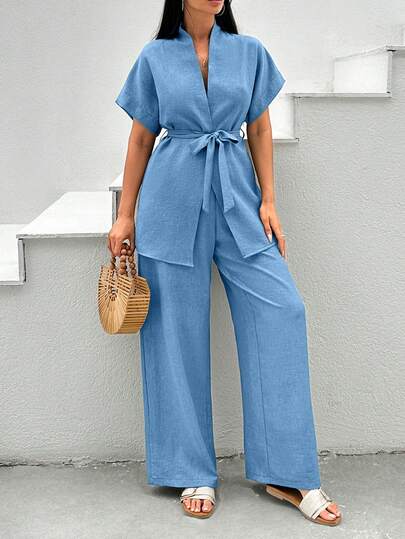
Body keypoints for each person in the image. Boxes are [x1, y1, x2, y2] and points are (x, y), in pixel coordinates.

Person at [108, 0, 342, 526]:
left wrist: (270, 200)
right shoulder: (154, 57)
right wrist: (125, 215)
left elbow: (258, 128)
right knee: (175, 333)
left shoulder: (249, 52)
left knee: (282, 311)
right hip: (171, 199)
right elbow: (142, 136)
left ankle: (287, 471)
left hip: (238, 196)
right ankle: (191, 468)